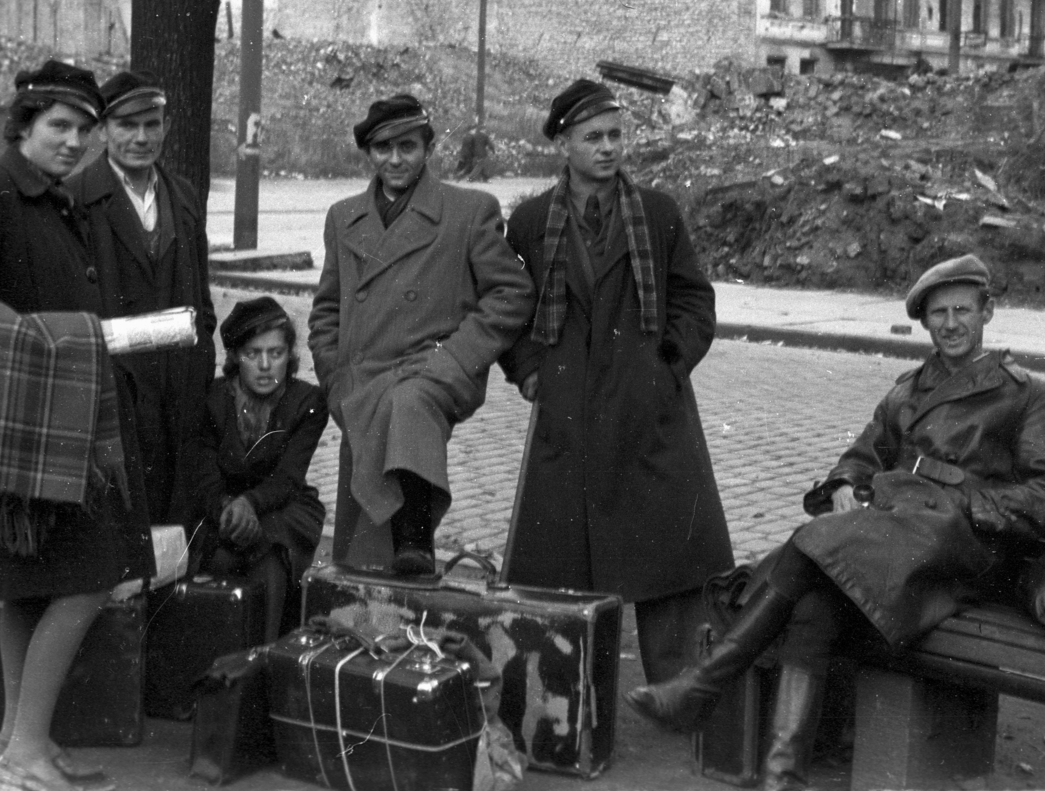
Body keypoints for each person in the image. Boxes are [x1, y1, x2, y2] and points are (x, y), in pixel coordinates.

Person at [627, 254, 1045, 791]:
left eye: (962, 310)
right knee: (812, 606)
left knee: (814, 548)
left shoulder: (1027, 395)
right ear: (925, 321)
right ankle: (781, 776)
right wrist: (842, 487)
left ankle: (702, 684)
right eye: (938, 314)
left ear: (988, 312)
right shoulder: (908, 392)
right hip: (891, 549)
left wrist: (956, 503)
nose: (951, 324)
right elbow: (859, 458)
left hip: (966, 558)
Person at [0, 60, 155, 791]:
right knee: (88, 580)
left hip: (54, 432)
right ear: (24, 127)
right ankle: (25, 752)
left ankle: (19, 742)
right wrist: (3, 388)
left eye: (85, 129)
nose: (75, 141)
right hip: (17, 432)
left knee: (30, 586)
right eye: (60, 127)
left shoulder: (54, 204)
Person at [498, 79, 734, 684]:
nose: (608, 148)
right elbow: (508, 308)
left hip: (647, 410)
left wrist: (667, 366)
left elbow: (693, 299)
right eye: (593, 137)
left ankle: (676, 691)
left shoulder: (657, 215)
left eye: (616, 135)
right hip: (567, 415)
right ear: (564, 146)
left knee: (669, 562)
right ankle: (568, 699)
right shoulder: (528, 223)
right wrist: (528, 371)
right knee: (561, 572)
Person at [308, 94, 535, 575]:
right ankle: (375, 616)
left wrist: (454, 359)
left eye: (407, 146)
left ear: (427, 149)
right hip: (362, 378)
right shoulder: (343, 217)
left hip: (434, 369)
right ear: (368, 153)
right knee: (362, 551)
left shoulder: (468, 210)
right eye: (383, 148)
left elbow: (511, 293)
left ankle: (416, 541)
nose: (395, 159)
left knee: (408, 404)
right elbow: (327, 307)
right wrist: (333, 378)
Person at [67, 70, 217, 525]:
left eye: (152, 125)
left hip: (178, 388)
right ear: (103, 131)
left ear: (166, 128)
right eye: (126, 126)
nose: (140, 137)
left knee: (173, 520)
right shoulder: (75, 199)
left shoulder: (183, 197)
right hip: (117, 390)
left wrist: (199, 360)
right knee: (119, 519)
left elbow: (201, 298)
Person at [188, 297, 329, 641]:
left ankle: (267, 661)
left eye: (276, 353)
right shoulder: (213, 400)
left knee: (271, 560)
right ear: (236, 356)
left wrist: (250, 505)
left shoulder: (306, 402)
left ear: (289, 355)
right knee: (220, 563)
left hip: (283, 508)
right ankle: (224, 670)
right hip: (223, 509)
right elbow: (204, 477)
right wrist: (229, 510)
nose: (265, 365)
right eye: (253, 354)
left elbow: (288, 478)